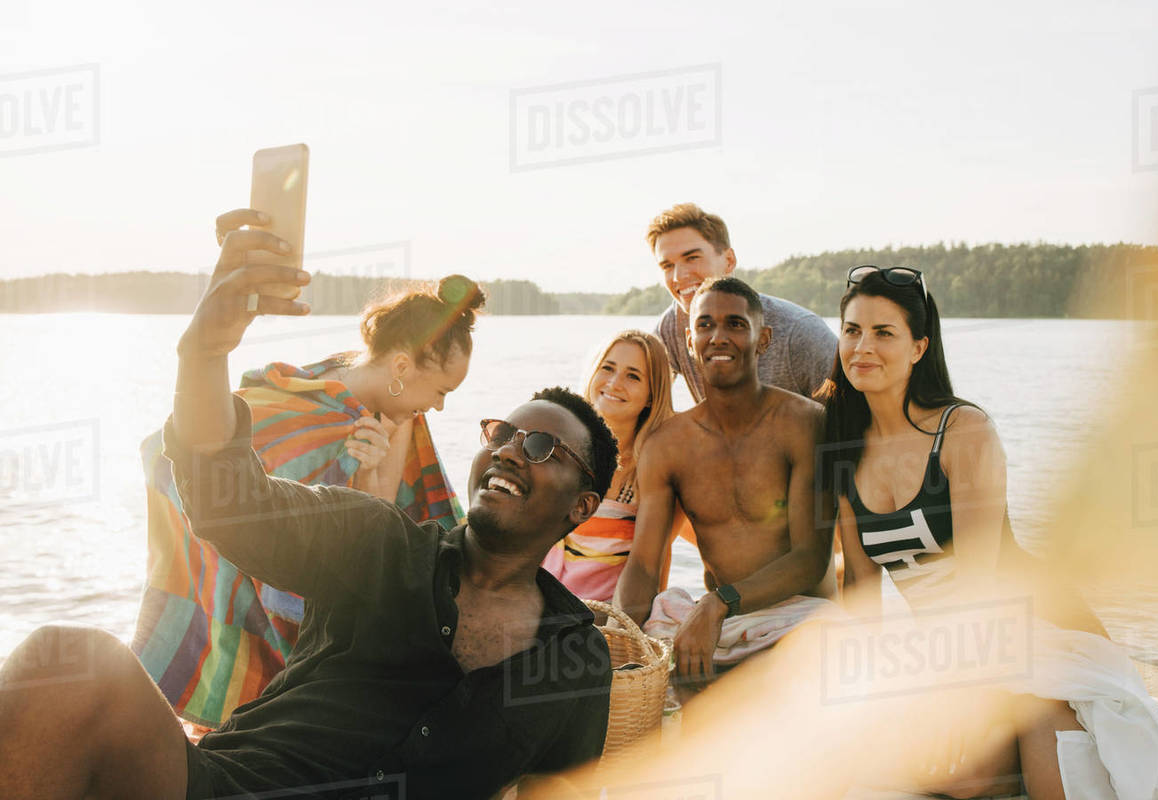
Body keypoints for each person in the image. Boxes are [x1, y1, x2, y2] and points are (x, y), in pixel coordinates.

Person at [0, 228, 617, 800]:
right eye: (501, 431)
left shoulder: (575, 658)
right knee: (67, 662)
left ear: (582, 505)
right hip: (231, 786)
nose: (509, 448)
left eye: (540, 446)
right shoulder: (377, 542)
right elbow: (229, 503)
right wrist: (203, 354)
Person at [818, 265, 1158, 797]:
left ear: (919, 347)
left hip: (1033, 629)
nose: (863, 346)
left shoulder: (963, 431)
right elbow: (860, 587)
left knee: (1039, 773)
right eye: (853, 330)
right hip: (942, 646)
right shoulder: (843, 445)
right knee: (921, 770)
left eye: (885, 333)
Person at [134, 208, 479, 731]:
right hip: (242, 560)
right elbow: (179, 449)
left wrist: (361, 471)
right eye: (442, 391)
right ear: (403, 367)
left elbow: (378, 532)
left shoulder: (400, 416)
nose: (439, 407)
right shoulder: (311, 391)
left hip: (318, 576)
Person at [615, 277, 838, 693]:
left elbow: (811, 557)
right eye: (705, 325)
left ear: (763, 339)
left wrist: (720, 603)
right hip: (717, 623)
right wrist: (624, 638)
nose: (719, 337)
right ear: (689, 339)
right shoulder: (668, 444)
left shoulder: (804, 423)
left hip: (797, 617)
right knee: (663, 627)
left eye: (736, 324)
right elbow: (645, 564)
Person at [542, 329, 681, 602]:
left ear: (652, 395)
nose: (614, 383)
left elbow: (653, 568)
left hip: (604, 619)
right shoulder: (555, 447)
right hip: (537, 603)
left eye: (633, 376)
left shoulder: (657, 471)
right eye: (608, 368)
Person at [647, 202, 836, 401]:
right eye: (667, 266)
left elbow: (853, 416)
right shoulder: (670, 328)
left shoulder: (799, 331)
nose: (678, 276)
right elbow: (638, 403)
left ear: (729, 261)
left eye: (692, 258)